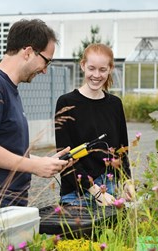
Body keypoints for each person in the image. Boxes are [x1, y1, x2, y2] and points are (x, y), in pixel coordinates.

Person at [0, 19, 70, 250]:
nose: (45, 69)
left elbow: (7, 153)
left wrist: (45, 162)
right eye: (46, 60)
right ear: (28, 52)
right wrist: (34, 167)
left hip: (7, 208)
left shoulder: (9, 89)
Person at [55, 43, 135, 207]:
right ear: (83, 65)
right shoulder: (66, 102)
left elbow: (122, 150)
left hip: (109, 189)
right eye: (91, 68)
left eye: (102, 70)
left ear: (110, 69)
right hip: (76, 194)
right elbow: (65, 157)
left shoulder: (115, 104)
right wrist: (95, 191)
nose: (96, 75)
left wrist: (127, 182)